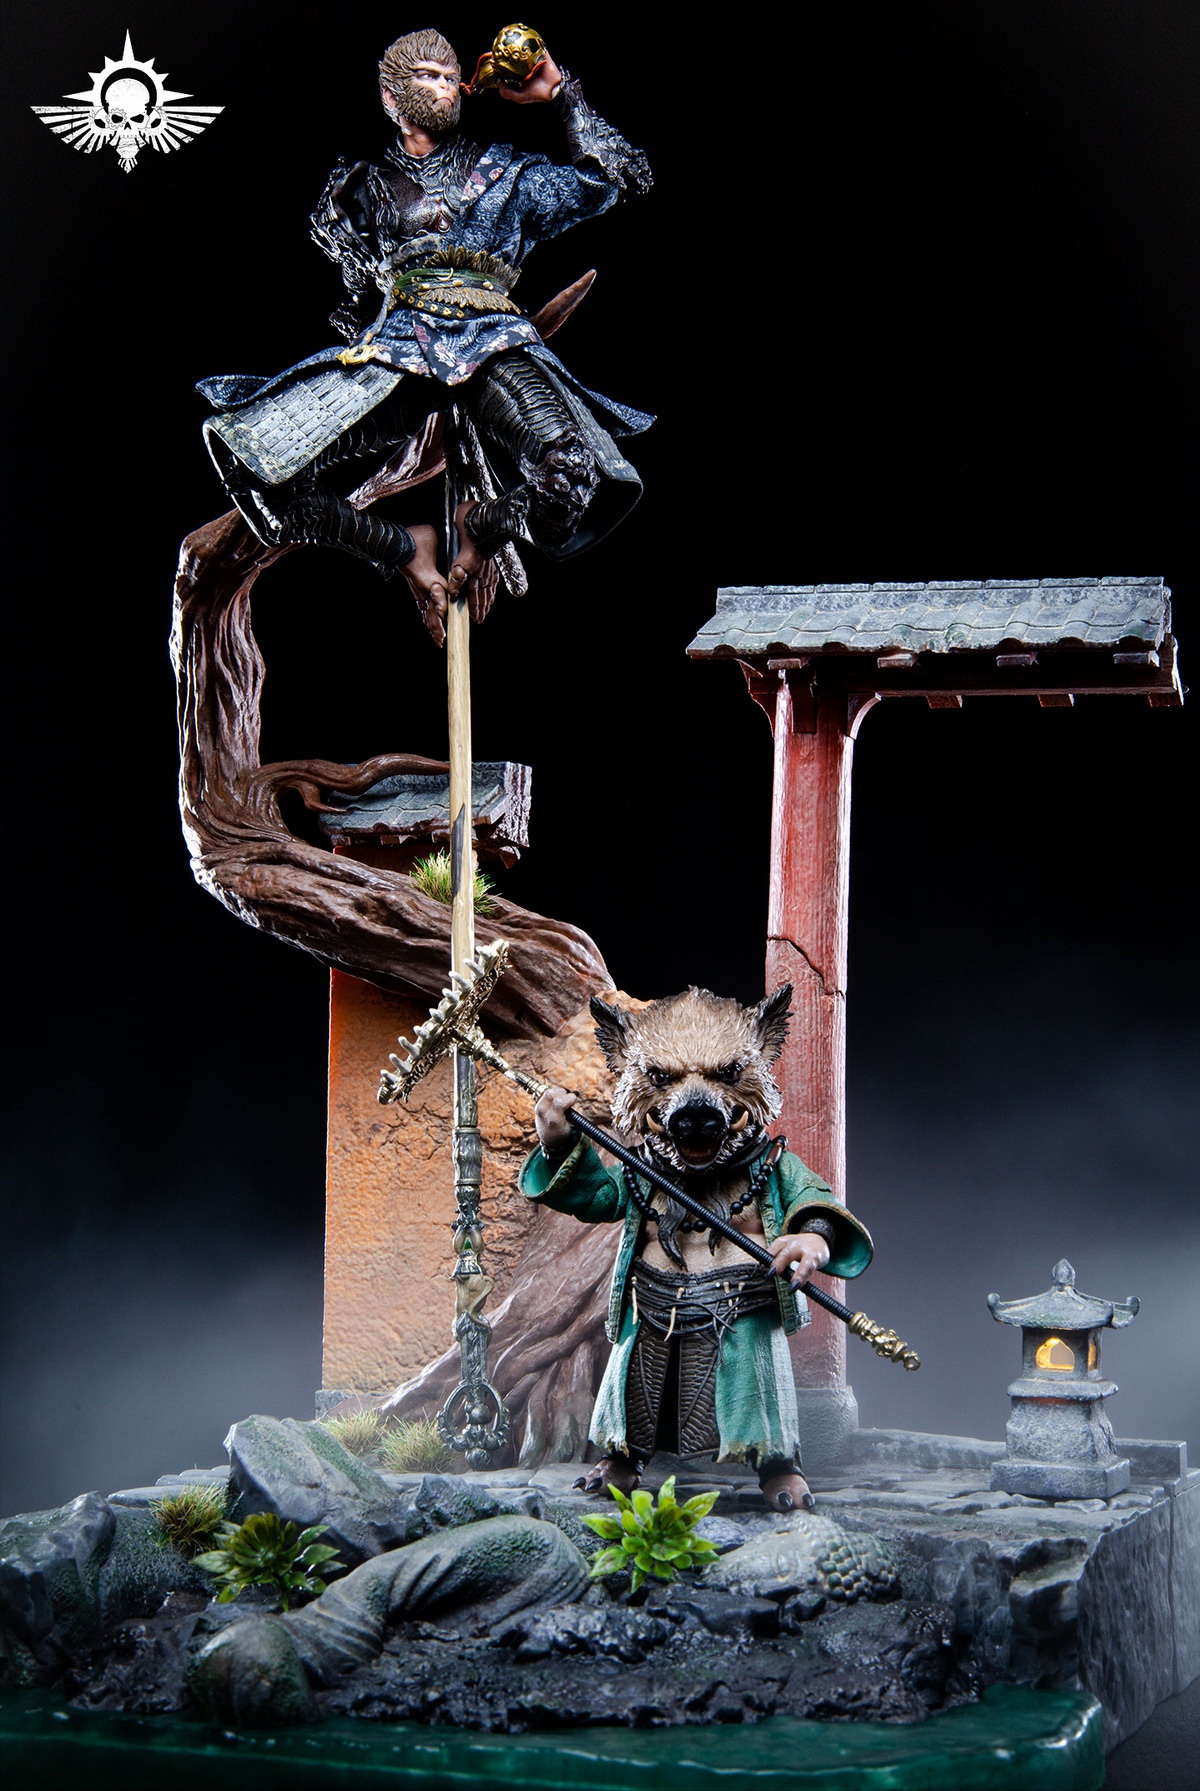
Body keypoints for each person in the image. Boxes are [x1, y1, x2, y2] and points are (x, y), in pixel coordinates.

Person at [197, 28, 652, 644]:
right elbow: (357, 293)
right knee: (253, 463)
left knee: (571, 475)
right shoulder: (359, 189)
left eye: (450, 75)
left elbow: (613, 179)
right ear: (391, 96)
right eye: (427, 76)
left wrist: (560, 93)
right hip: (398, 348)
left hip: (492, 340)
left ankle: (483, 525)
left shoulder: (506, 173)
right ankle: (401, 546)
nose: (445, 85)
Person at [519, 987, 875, 1512]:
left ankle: (779, 1466)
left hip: (743, 1307)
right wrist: (557, 1146)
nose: (695, 1105)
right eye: (661, 1078)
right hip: (655, 1304)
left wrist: (813, 1238)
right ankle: (622, 1458)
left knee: (758, 1391)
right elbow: (595, 1197)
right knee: (638, 1389)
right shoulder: (642, 1170)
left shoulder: (768, 1166)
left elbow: (813, 1201)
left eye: (726, 1074)